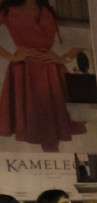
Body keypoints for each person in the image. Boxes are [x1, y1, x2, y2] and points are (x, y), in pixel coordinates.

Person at [0, 0, 86, 152]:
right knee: (35, 126)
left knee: (52, 130)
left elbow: (83, 37)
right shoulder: (8, 9)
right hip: (24, 73)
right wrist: (11, 57)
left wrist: (63, 58)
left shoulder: (49, 9)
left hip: (51, 72)